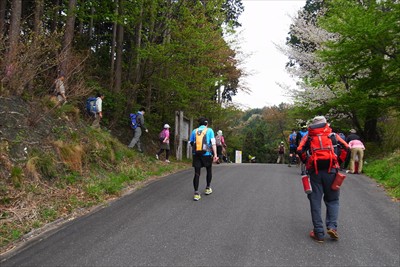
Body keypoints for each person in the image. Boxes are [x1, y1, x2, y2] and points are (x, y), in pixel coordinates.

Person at [297, 115, 349, 243]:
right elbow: (346, 148)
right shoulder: (332, 135)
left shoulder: (309, 136)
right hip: (331, 171)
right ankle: (332, 227)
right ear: (325, 123)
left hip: (315, 172)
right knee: (333, 200)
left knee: (315, 200)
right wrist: (339, 161)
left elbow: (299, 150)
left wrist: (307, 161)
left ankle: (319, 233)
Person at [189, 117, 218, 201]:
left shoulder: (194, 131)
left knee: (197, 173)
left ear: (199, 124)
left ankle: (196, 193)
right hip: (207, 154)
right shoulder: (210, 130)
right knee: (209, 170)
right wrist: (215, 154)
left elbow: (190, 143)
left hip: (196, 154)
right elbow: (213, 143)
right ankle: (208, 188)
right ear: (206, 124)